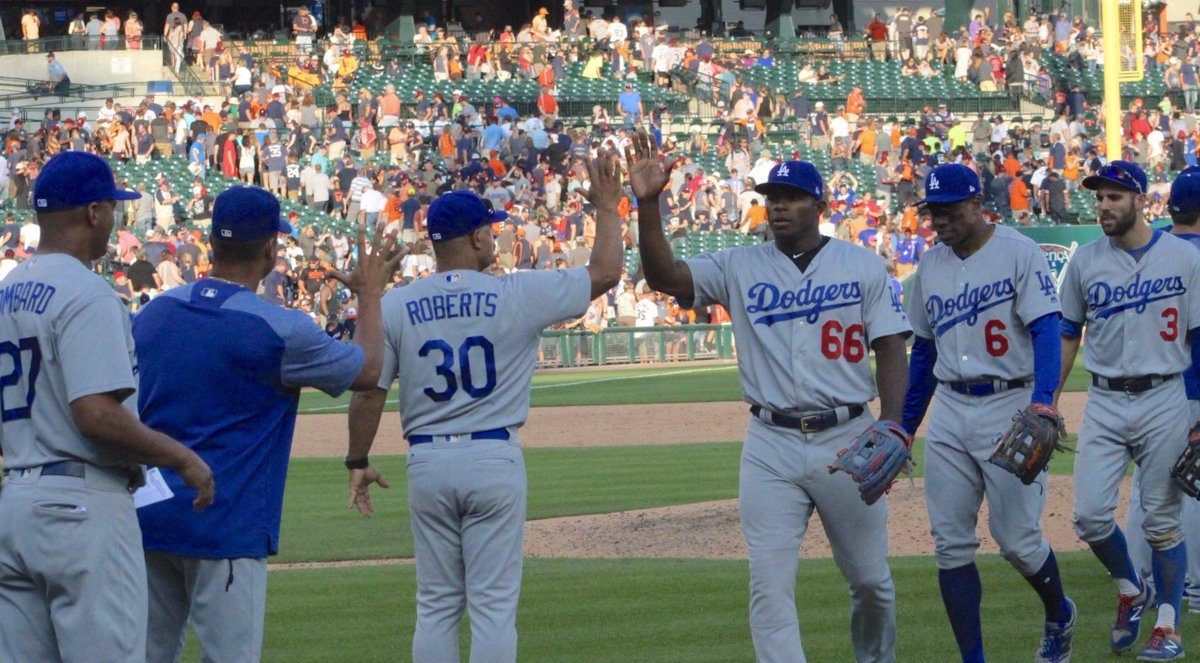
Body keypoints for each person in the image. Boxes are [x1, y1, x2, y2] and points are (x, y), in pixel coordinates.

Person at [631, 132, 911, 661]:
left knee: (872, 583)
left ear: (819, 205)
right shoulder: (739, 265)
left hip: (849, 436)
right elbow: (664, 276)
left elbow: (891, 347)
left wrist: (893, 422)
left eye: (791, 197)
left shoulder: (860, 265)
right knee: (769, 584)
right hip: (769, 444)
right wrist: (649, 204)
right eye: (770, 197)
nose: (778, 206)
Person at [344, 154, 624, 663]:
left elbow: (369, 391)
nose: (495, 239)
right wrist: (608, 208)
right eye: (490, 231)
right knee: (493, 608)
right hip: (493, 456)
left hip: (427, 460)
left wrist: (357, 460)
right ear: (475, 239)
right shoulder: (516, 292)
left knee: (436, 605)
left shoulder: (394, 304)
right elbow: (605, 272)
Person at [133, 185, 402, 663]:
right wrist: (370, 293)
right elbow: (368, 370)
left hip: (147, 519)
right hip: (226, 526)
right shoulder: (279, 328)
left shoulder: (153, 313)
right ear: (270, 248)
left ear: (211, 242)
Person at [0, 151, 214, 662]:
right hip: (82, 507)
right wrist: (181, 457)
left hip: (17, 502)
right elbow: (96, 414)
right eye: (112, 208)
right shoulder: (86, 292)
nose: (115, 219)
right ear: (93, 212)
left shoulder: (6, 292)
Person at [901, 164, 1075, 663]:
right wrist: (905, 426)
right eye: (932, 210)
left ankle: (1060, 612)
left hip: (1010, 402)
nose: (939, 219)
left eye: (949, 209)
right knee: (951, 545)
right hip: (952, 408)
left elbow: (1046, 329)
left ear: (977, 205)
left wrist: (1044, 399)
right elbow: (924, 353)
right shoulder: (929, 266)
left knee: (1018, 541)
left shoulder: (1019, 253)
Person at [1056, 160, 1200, 660]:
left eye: (1115, 196)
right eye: (1098, 198)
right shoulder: (1085, 261)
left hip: (1164, 397)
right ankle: (1131, 588)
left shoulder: (1183, 259)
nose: (1104, 206)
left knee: (1162, 521)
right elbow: (1068, 334)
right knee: (1090, 517)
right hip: (1105, 400)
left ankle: (1168, 628)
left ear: (1140, 200)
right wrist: (1047, 401)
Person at [1125, 166, 1200, 617]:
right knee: (1191, 486)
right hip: (1191, 388)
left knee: (1146, 486)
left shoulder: (1148, 253)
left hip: (1142, 388)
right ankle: (1192, 585)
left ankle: (1136, 582)